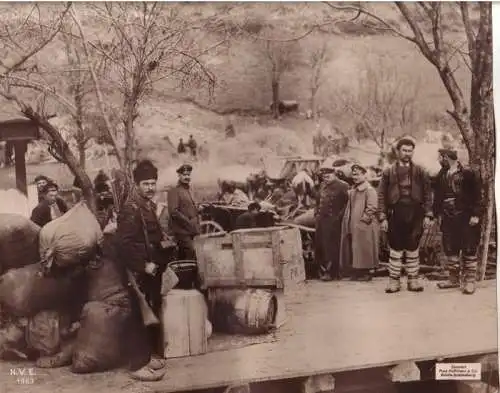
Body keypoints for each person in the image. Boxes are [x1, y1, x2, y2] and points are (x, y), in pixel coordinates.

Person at [116, 159, 169, 381]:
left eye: (153, 183)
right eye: (146, 183)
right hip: (138, 274)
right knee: (139, 317)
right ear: (137, 184)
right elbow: (124, 244)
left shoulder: (146, 205)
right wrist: (143, 265)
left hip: (151, 272)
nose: (150, 187)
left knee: (149, 314)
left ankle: (147, 357)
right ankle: (137, 365)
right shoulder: (131, 208)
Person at [378, 136, 433, 294]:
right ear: (398, 151)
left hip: (415, 213)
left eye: (410, 151)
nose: (407, 153)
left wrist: (428, 215)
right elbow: (381, 195)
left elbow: (428, 194)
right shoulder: (388, 171)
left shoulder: (420, 171)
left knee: (413, 245)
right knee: (395, 247)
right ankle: (394, 281)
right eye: (404, 150)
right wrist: (382, 217)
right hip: (395, 213)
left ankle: (413, 280)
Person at [433, 148, 481, 294]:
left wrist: (476, 214)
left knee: (468, 246)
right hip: (448, 217)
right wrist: (436, 214)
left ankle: (470, 281)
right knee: (450, 247)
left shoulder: (467, 173)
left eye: (440, 158)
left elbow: (477, 195)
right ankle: (453, 279)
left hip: (465, 216)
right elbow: (438, 196)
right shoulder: (442, 174)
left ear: (446, 157)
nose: (439, 160)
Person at [339, 163, 379, 281]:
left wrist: (363, 221)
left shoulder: (369, 190)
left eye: (357, 175)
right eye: (353, 175)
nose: (355, 177)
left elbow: (372, 207)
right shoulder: (354, 190)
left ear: (364, 175)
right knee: (355, 249)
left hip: (364, 226)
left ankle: (366, 273)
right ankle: (357, 271)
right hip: (353, 224)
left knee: (365, 249)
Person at [314, 163, 349, 281]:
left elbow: (347, 204)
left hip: (334, 221)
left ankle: (331, 272)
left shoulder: (343, 186)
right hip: (321, 220)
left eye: (328, 176)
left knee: (332, 246)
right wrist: (316, 213)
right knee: (321, 245)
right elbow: (318, 200)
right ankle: (322, 270)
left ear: (334, 175)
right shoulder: (322, 185)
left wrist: (339, 217)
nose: (326, 179)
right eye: (324, 177)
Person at [167, 164, 200, 260]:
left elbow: (189, 208)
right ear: (179, 175)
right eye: (184, 175)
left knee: (187, 256)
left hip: (193, 230)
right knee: (193, 252)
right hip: (182, 231)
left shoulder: (189, 190)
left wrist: (198, 208)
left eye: (188, 175)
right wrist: (188, 223)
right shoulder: (174, 191)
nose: (187, 177)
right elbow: (173, 212)